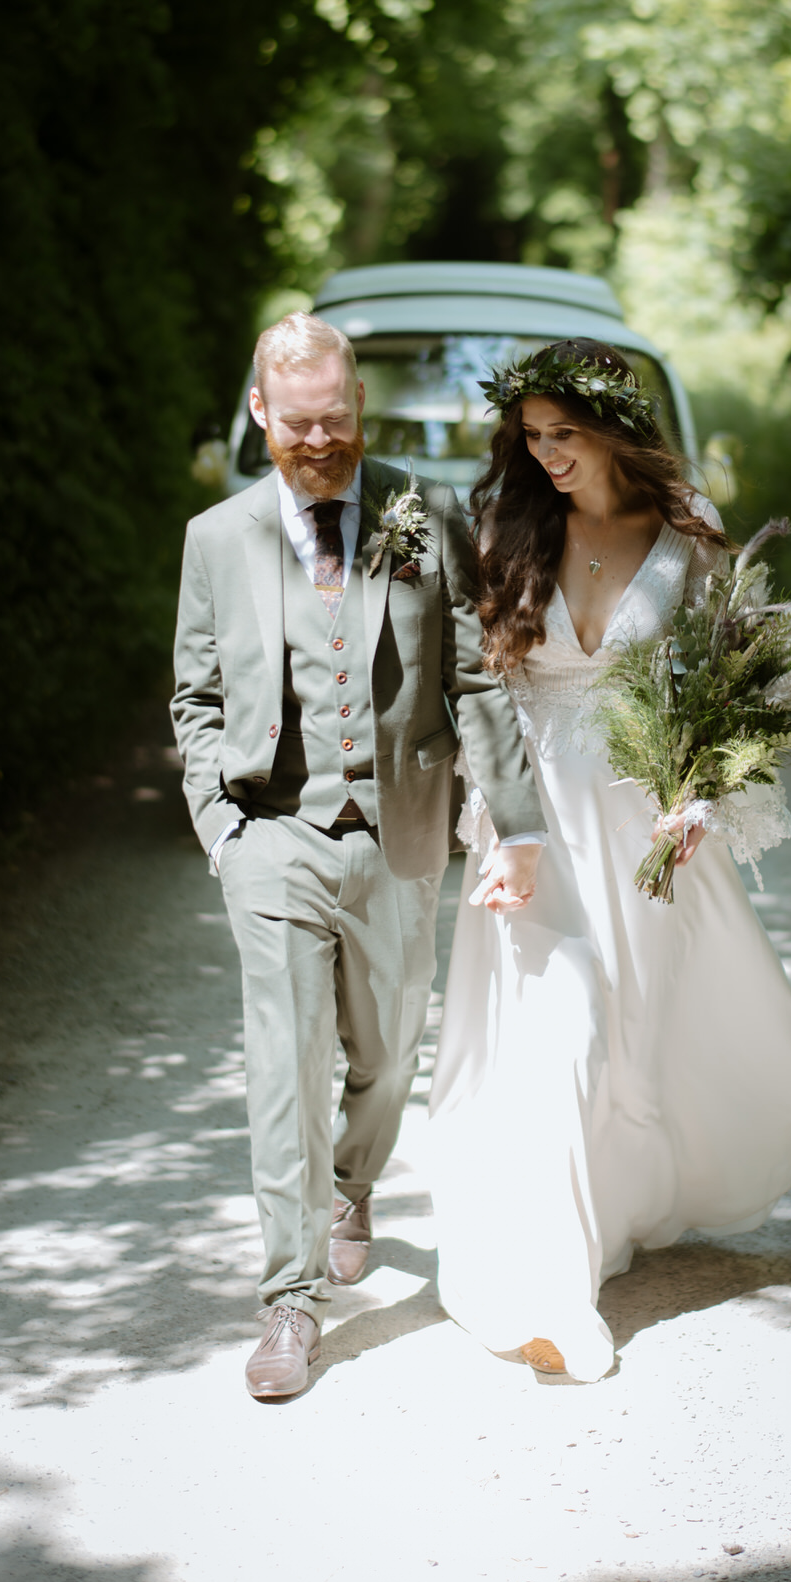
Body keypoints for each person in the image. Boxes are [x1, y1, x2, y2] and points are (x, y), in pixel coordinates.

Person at [428, 340, 791, 1383]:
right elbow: (481, 688)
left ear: (615, 429)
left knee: (632, 1036)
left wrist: (701, 787)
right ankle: (554, 1292)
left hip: (637, 823)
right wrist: (499, 818)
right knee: (564, 1027)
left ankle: (609, 1212)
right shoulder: (508, 526)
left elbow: (737, 682)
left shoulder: (689, 533)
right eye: (530, 438)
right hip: (533, 825)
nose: (545, 456)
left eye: (563, 435)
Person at [171, 314, 545, 1401]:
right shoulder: (215, 537)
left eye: (338, 418)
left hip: (401, 827)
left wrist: (513, 822)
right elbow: (194, 696)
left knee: (385, 1049)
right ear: (260, 415)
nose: (322, 439)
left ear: (358, 408)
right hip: (271, 834)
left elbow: (474, 680)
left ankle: (353, 1181)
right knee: (283, 1062)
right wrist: (220, 826)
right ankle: (290, 1300)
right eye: (299, 423)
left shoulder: (421, 517)